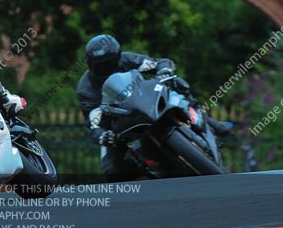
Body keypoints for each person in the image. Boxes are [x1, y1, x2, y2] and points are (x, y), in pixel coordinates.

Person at [76, 34, 232, 181]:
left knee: (177, 84)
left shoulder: (127, 59)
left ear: (117, 57)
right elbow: (94, 123)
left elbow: (158, 62)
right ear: (90, 65)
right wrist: (103, 136)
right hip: (119, 125)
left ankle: (210, 122)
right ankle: (147, 167)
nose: (107, 68)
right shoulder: (86, 89)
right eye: (101, 66)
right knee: (110, 171)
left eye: (110, 63)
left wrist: (164, 70)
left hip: (145, 104)